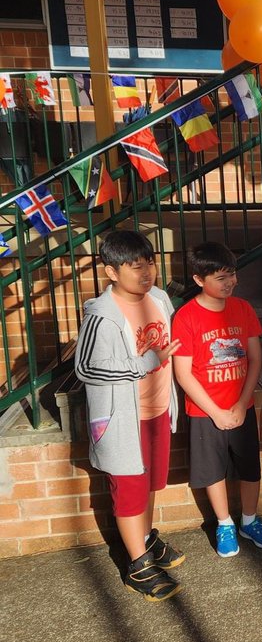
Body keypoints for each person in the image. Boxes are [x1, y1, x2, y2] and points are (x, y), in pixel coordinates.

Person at [75, 230, 183, 600]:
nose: (146, 272)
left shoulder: (159, 297)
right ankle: (137, 565)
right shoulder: (102, 315)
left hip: (158, 409)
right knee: (130, 492)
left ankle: (146, 538)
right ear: (111, 272)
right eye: (134, 267)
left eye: (149, 263)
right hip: (123, 419)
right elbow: (88, 367)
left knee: (151, 484)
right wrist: (148, 361)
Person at [172, 242, 262, 559]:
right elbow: (184, 373)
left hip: (241, 407)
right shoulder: (186, 317)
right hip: (206, 412)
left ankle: (248, 519)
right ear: (199, 279)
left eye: (231, 274)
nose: (229, 282)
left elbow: (255, 360)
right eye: (220, 277)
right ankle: (224, 523)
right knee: (213, 471)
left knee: (249, 469)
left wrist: (242, 403)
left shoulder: (243, 309)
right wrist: (216, 412)